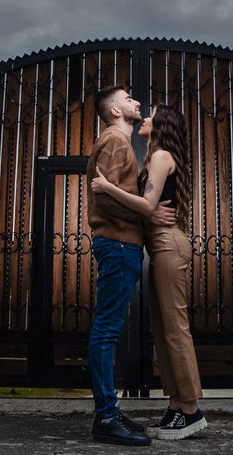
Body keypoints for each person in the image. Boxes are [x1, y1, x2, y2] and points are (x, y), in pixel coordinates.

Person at [93, 105, 207, 441]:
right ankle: (175, 406)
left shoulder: (160, 157)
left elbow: (146, 205)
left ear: (162, 123)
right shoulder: (156, 156)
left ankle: (191, 411)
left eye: (151, 114)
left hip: (169, 247)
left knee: (175, 330)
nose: (145, 118)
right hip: (160, 247)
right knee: (164, 330)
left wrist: (107, 187)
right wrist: (149, 213)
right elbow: (150, 209)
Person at [85, 84, 153, 446]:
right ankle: (106, 417)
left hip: (121, 242)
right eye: (128, 99)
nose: (136, 102)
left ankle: (109, 410)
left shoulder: (119, 141)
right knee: (107, 328)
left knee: (108, 327)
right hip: (118, 242)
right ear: (114, 111)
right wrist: (145, 213)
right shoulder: (115, 140)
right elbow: (106, 196)